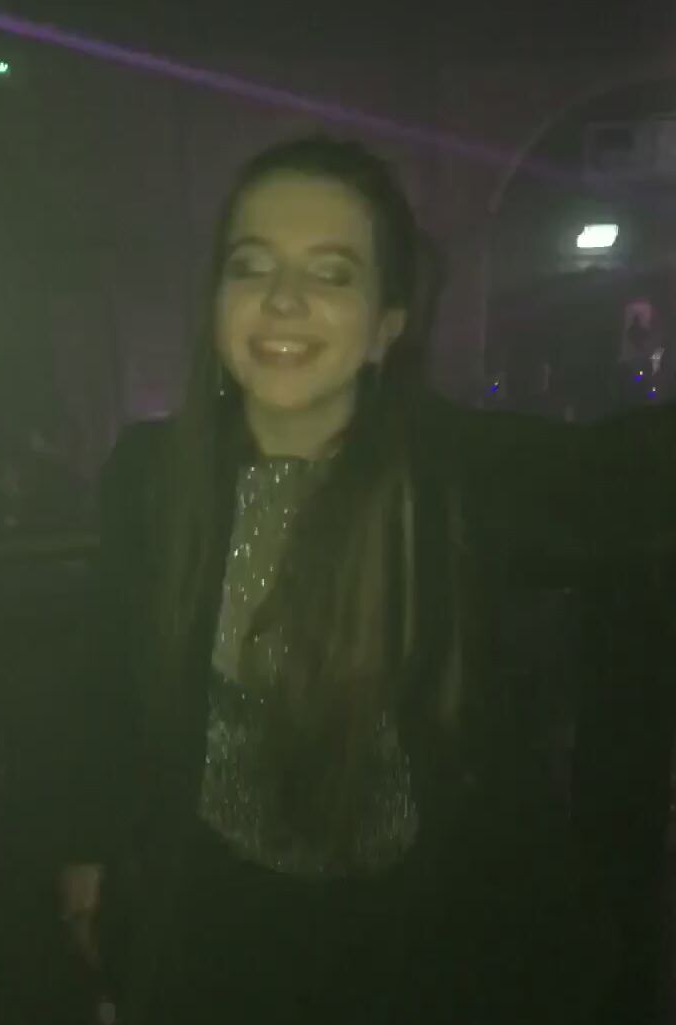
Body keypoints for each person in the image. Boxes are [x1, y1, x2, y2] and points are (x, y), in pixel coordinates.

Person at [60, 136, 626, 1025]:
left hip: (417, 941)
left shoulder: (458, 472)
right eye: (252, 266)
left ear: (386, 324)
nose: (282, 298)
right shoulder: (151, 477)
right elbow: (104, 686)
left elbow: (629, 478)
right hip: (209, 926)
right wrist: (86, 850)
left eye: (330, 273)